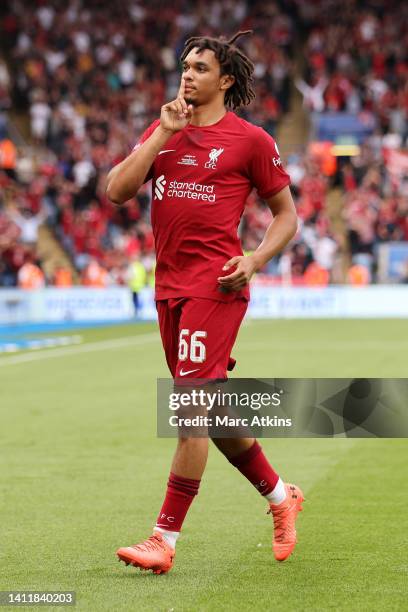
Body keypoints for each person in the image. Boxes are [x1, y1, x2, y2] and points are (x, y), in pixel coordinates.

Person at [107, 31, 303, 575]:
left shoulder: (251, 141)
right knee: (213, 413)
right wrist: (160, 136)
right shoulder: (163, 130)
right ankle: (281, 497)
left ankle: (163, 539)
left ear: (226, 81)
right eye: (184, 66)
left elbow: (286, 215)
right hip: (169, 290)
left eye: (199, 67)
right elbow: (117, 190)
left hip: (215, 288)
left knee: (189, 412)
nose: (186, 74)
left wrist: (256, 260)